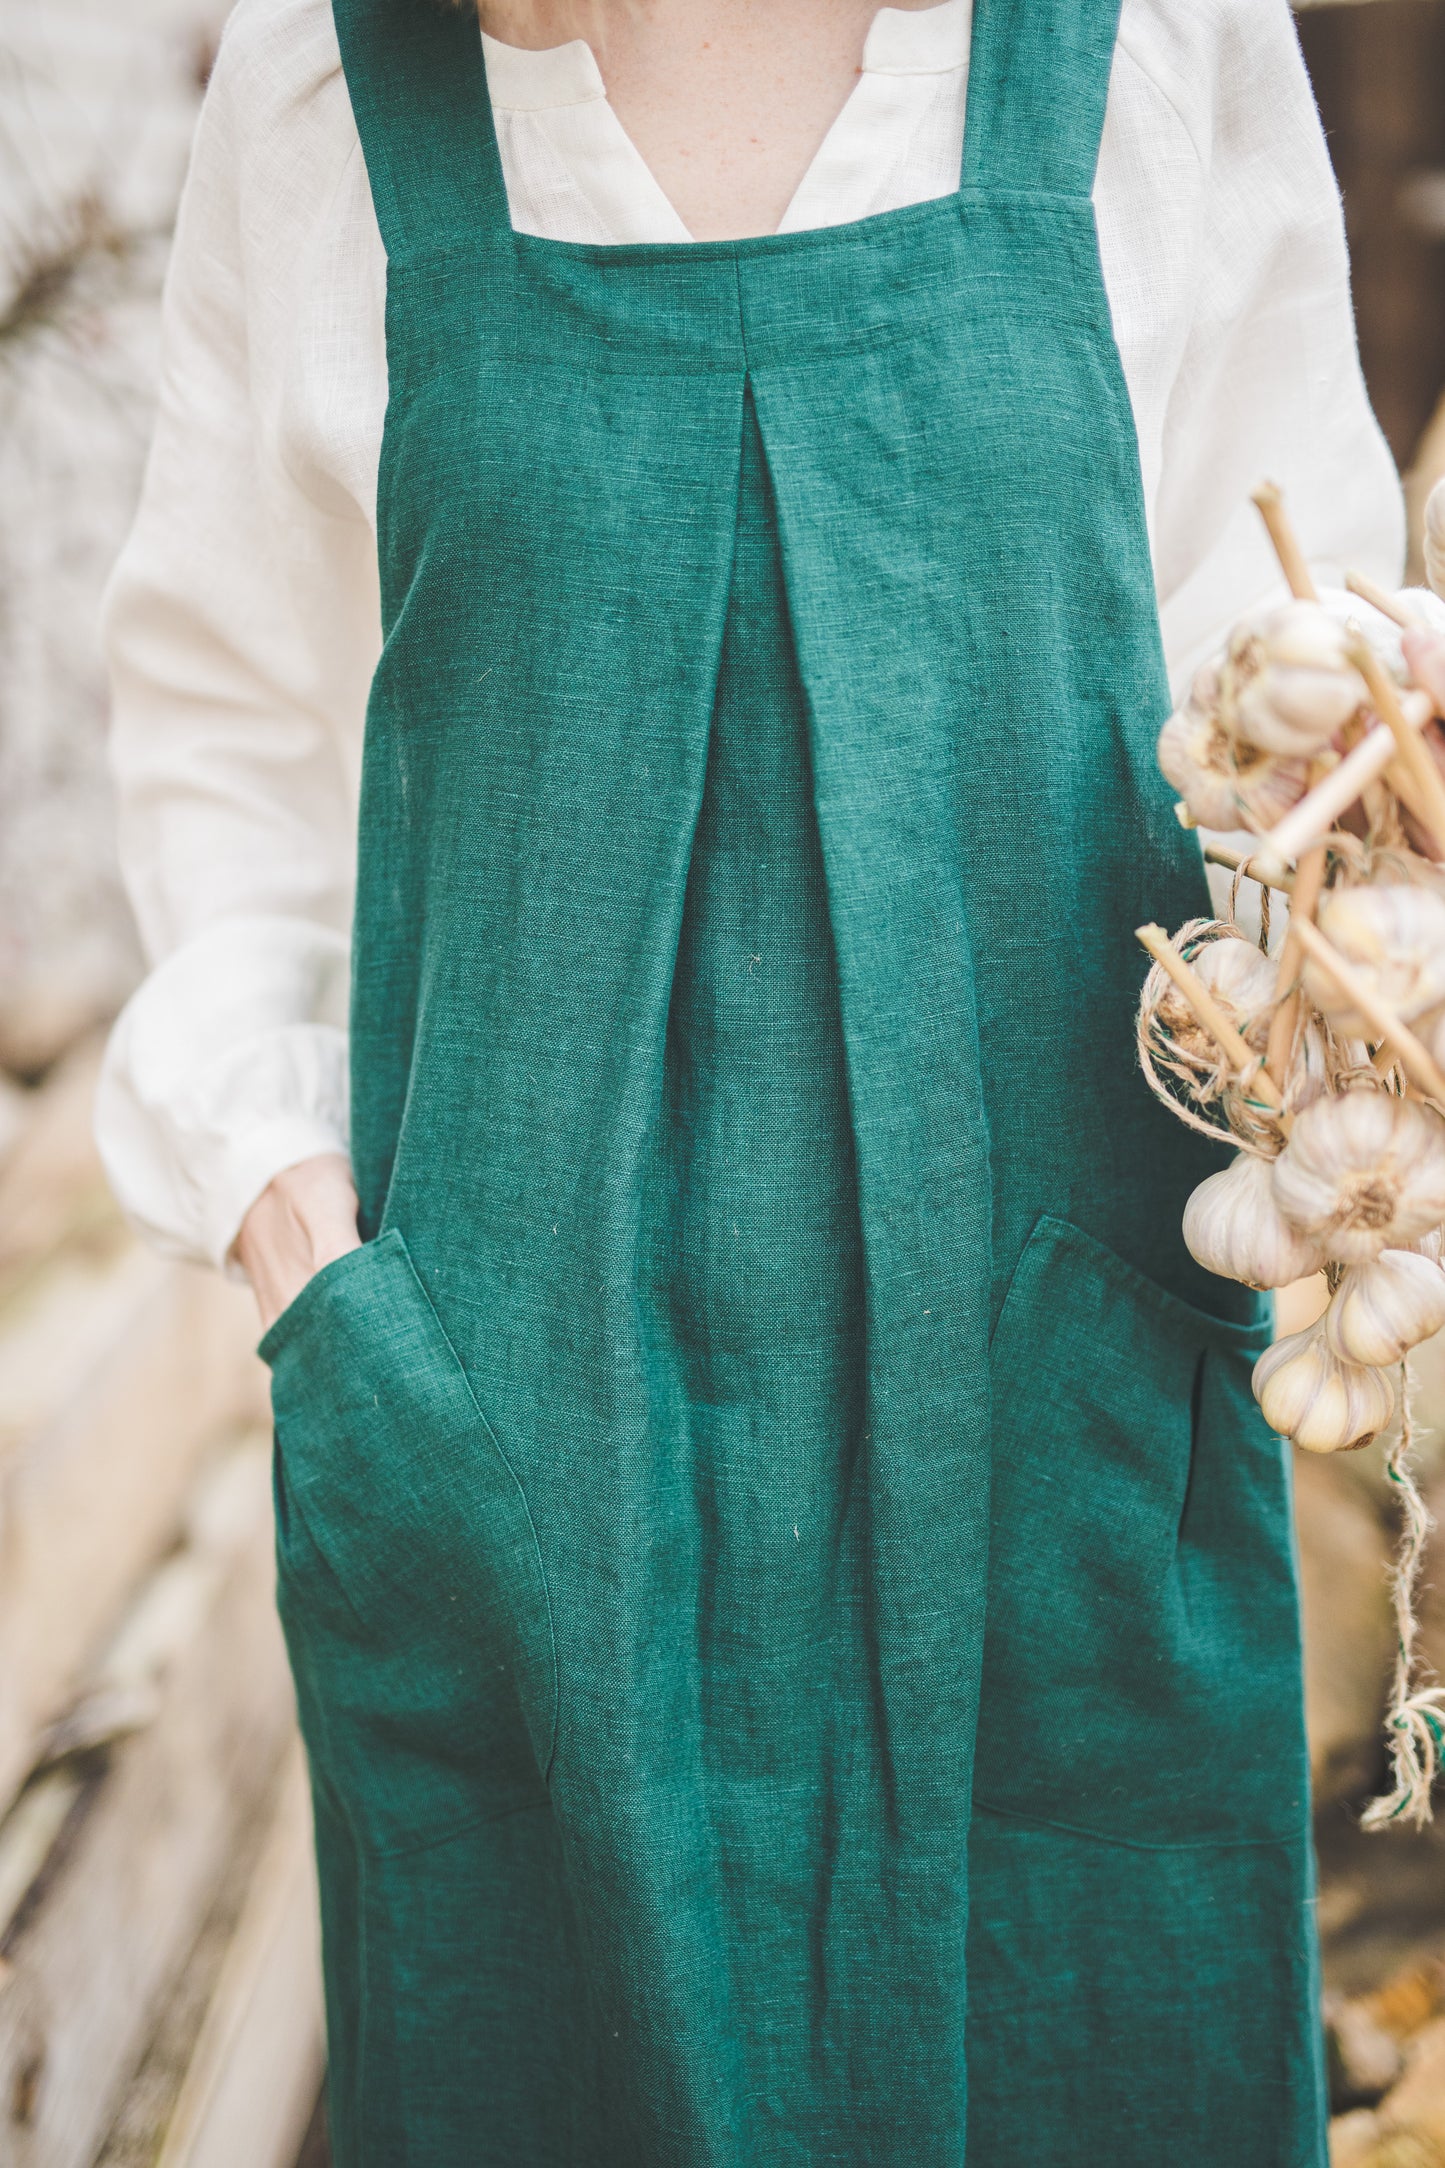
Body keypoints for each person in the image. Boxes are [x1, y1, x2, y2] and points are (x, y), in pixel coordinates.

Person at [97, 0, 1404, 2160]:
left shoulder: (1155, 41)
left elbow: (1302, 670)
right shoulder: (327, 86)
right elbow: (228, 742)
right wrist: (304, 1250)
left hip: (1059, 1450)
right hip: (513, 1490)